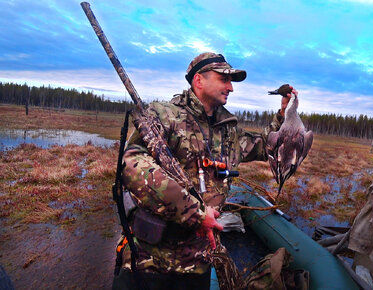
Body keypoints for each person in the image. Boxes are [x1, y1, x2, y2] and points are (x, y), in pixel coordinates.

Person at [112, 52, 297, 289]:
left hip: (198, 262)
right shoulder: (163, 115)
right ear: (199, 80)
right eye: (224, 79)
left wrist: (285, 115)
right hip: (149, 260)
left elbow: (268, 147)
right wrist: (196, 214)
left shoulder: (229, 131)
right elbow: (132, 166)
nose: (231, 87)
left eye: (231, 81)